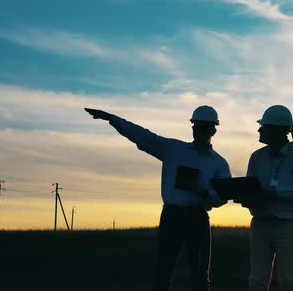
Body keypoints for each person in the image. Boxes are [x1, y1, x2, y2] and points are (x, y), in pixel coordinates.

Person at [84, 105, 230, 291]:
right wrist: (112, 119)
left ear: (213, 130)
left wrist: (204, 193)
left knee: (201, 275)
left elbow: (223, 197)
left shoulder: (219, 163)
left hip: (198, 218)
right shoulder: (173, 149)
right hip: (172, 216)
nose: (197, 131)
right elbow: (143, 136)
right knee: (164, 272)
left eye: (202, 127)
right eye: (194, 126)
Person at [245, 105, 293, 291]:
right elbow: (249, 188)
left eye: (264, 127)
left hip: (288, 225)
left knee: (289, 281)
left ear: (278, 130)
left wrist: (276, 192)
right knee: (257, 282)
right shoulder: (256, 158)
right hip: (261, 223)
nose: (260, 130)